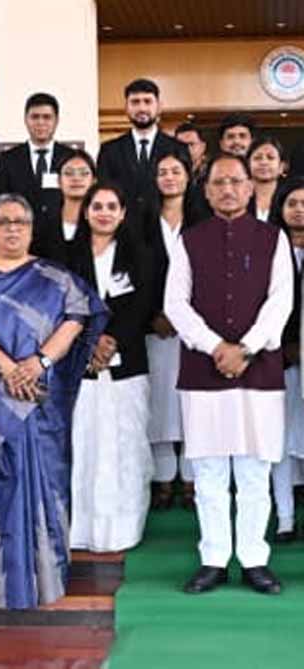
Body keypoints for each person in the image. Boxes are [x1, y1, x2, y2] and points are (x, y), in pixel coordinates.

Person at [0, 193, 107, 609]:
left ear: (32, 228)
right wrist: (8, 369)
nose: (12, 229)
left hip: (41, 397)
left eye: (20, 221)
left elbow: (77, 318)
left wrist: (39, 363)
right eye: (3, 222)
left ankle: (46, 578)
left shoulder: (54, 276)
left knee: (43, 479)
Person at [165, 154, 293, 596]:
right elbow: (175, 304)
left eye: (236, 182)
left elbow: (281, 301)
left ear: (250, 187)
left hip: (259, 370)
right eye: (218, 182)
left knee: (256, 470)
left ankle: (255, 559)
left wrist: (246, 348)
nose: (228, 190)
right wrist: (215, 346)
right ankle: (214, 559)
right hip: (204, 370)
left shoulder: (273, 238)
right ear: (205, 191)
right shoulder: (189, 239)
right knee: (209, 471)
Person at [67, 184, 153, 552]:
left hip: (127, 364)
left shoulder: (140, 255)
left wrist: (112, 339)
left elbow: (143, 304)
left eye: (111, 206)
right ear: (86, 212)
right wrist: (89, 342)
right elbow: (62, 305)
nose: (104, 213)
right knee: (83, 442)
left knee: (125, 444)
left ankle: (124, 528)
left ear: (122, 213)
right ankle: (81, 528)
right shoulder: (67, 255)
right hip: (79, 364)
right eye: (97, 206)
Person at [144, 151, 198, 510]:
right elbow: (135, 272)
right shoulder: (141, 220)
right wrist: (154, 315)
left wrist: (186, 318)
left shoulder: (202, 219)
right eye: (162, 172)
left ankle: (192, 478)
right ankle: (163, 479)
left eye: (176, 171)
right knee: (161, 403)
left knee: (192, 403)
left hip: (195, 329)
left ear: (188, 176)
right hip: (156, 327)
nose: (169, 177)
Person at [96, 78, 189, 217]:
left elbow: (187, 193)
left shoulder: (178, 148)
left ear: (159, 106)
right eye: (135, 102)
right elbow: (104, 193)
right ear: (126, 107)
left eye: (147, 101)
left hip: (165, 223)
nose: (142, 108)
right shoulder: (109, 150)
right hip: (123, 225)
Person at [269, 177, 304, 542]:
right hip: (276, 359)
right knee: (278, 441)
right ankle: (285, 517)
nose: (299, 210)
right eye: (292, 203)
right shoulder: (269, 251)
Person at [0, 93, 73, 222]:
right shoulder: (8, 159)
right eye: (35, 117)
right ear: (26, 120)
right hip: (21, 229)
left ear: (56, 121)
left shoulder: (70, 157)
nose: (40, 122)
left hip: (61, 230)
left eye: (47, 117)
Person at [31, 149, 96, 263]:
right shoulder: (41, 224)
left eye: (84, 173)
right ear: (58, 181)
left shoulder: (102, 223)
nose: (76, 178)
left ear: (93, 181)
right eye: (68, 173)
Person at [248, 136, 285, 222]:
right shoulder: (239, 196)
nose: (264, 162)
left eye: (270, 157)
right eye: (257, 158)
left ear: (281, 167)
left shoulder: (290, 196)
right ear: (248, 165)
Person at [175, 122, 209, 186]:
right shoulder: (170, 171)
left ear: (203, 146)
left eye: (191, 144)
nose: (187, 149)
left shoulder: (213, 169)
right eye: (181, 145)